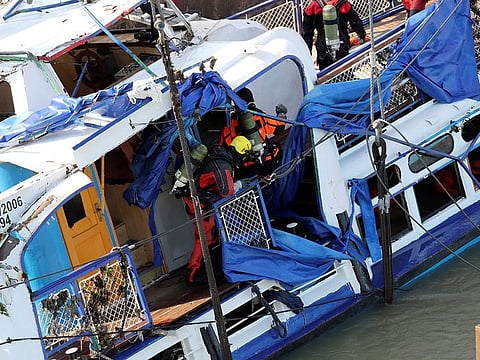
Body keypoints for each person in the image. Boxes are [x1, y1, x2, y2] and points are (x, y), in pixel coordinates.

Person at [181, 137, 252, 285]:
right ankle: (192, 273)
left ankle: (204, 266)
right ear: (240, 153)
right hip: (199, 203)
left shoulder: (218, 152)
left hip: (195, 199)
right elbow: (227, 191)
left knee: (209, 235)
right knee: (205, 238)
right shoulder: (223, 164)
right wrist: (239, 184)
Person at [219, 88, 284, 178]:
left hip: (246, 169)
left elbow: (223, 146)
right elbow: (279, 128)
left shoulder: (230, 124)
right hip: (267, 161)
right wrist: (282, 115)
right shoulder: (258, 116)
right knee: (277, 147)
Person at [302, 0, 367, 70]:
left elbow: (307, 32)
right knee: (344, 71)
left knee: (326, 74)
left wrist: (308, 53)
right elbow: (356, 23)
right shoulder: (344, 4)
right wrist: (362, 35)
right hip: (342, 46)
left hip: (323, 48)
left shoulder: (313, 5)